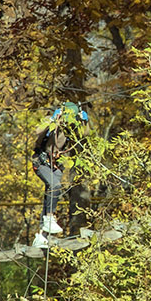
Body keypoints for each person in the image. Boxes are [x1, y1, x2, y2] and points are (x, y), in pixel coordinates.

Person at [31, 101, 88, 248]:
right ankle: (49, 219)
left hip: (56, 165)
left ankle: (42, 236)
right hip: (41, 162)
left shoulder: (71, 128)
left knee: (52, 192)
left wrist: (84, 121)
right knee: (54, 185)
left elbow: (84, 136)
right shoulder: (52, 122)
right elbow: (37, 131)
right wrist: (53, 120)